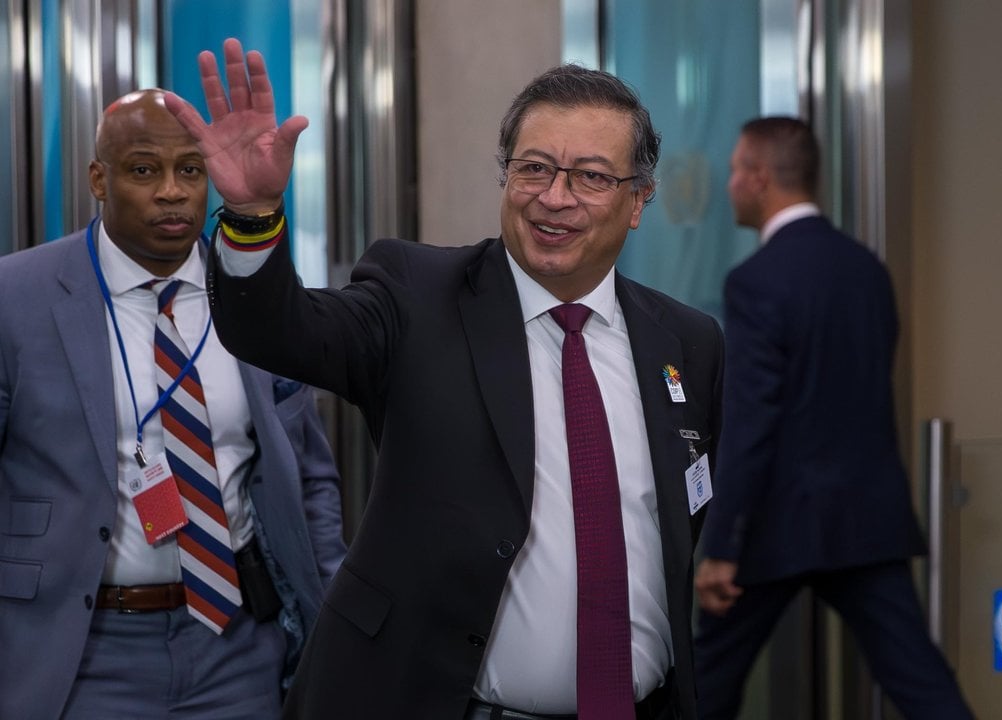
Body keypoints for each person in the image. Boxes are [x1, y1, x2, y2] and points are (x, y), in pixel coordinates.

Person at [164, 39, 724, 719]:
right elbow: (282, 332)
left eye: (591, 177)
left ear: (639, 201)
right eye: (534, 168)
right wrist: (253, 220)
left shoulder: (687, 343)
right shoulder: (417, 295)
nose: (554, 198)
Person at [0, 89, 346, 720]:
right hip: (78, 652)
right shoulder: (14, 299)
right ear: (99, 180)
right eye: (143, 170)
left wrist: (334, 617)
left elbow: (309, 476)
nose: (172, 192)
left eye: (190, 170)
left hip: (237, 647)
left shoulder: (255, 298)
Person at [693, 116, 973, 719]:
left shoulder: (756, 282)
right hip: (865, 519)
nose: (729, 185)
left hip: (777, 521)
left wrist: (722, 544)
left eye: (737, 170)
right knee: (921, 683)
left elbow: (752, 420)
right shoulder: (868, 271)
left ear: (761, 178)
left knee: (706, 684)